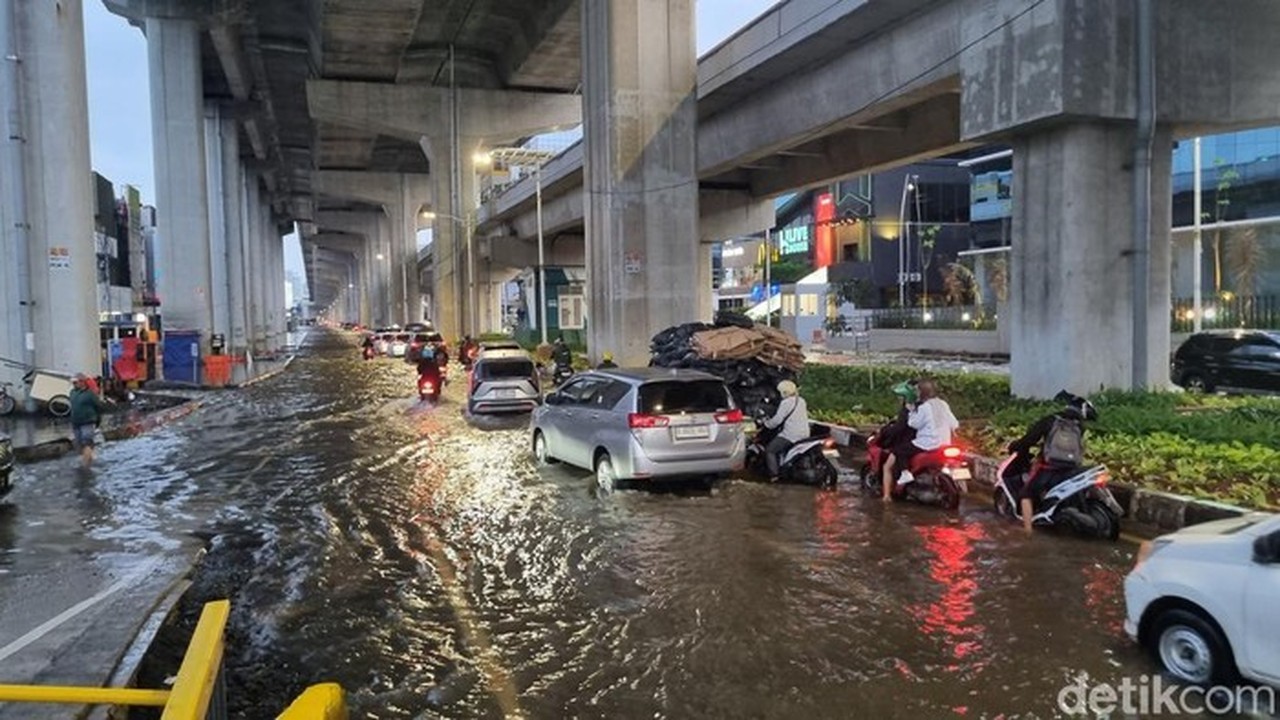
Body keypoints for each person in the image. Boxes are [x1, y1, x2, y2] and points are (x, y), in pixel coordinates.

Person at [1009, 391, 1097, 531]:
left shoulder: (1050, 420)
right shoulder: (1079, 426)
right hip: (1071, 468)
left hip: (1048, 468)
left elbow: (1029, 439)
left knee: (1026, 494)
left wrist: (1015, 446)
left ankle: (1027, 533)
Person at [881, 378, 958, 501]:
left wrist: (911, 411)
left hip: (928, 443)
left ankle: (904, 475)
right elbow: (955, 424)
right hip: (944, 442)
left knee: (899, 450)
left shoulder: (924, 407)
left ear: (921, 393)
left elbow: (913, 424)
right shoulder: (943, 404)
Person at [761, 380, 811, 482]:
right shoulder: (801, 400)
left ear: (784, 392)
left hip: (791, 435)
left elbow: (777, 420)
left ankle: (774, 476)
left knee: (770, 450)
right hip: (805, 433)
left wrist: (766, 424)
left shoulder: (785, 403)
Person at [69, 373, 109, 467]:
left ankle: (85, 466)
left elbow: (98, 406)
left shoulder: (90, 394)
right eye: (73, 383)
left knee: (86, 441)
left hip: (88, 421)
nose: (74, 385)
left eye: (75, 382)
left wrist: (97, 419)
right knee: (79, 444)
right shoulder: (72, 392)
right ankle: (89, 458)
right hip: (76, 422)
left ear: (82, 382)